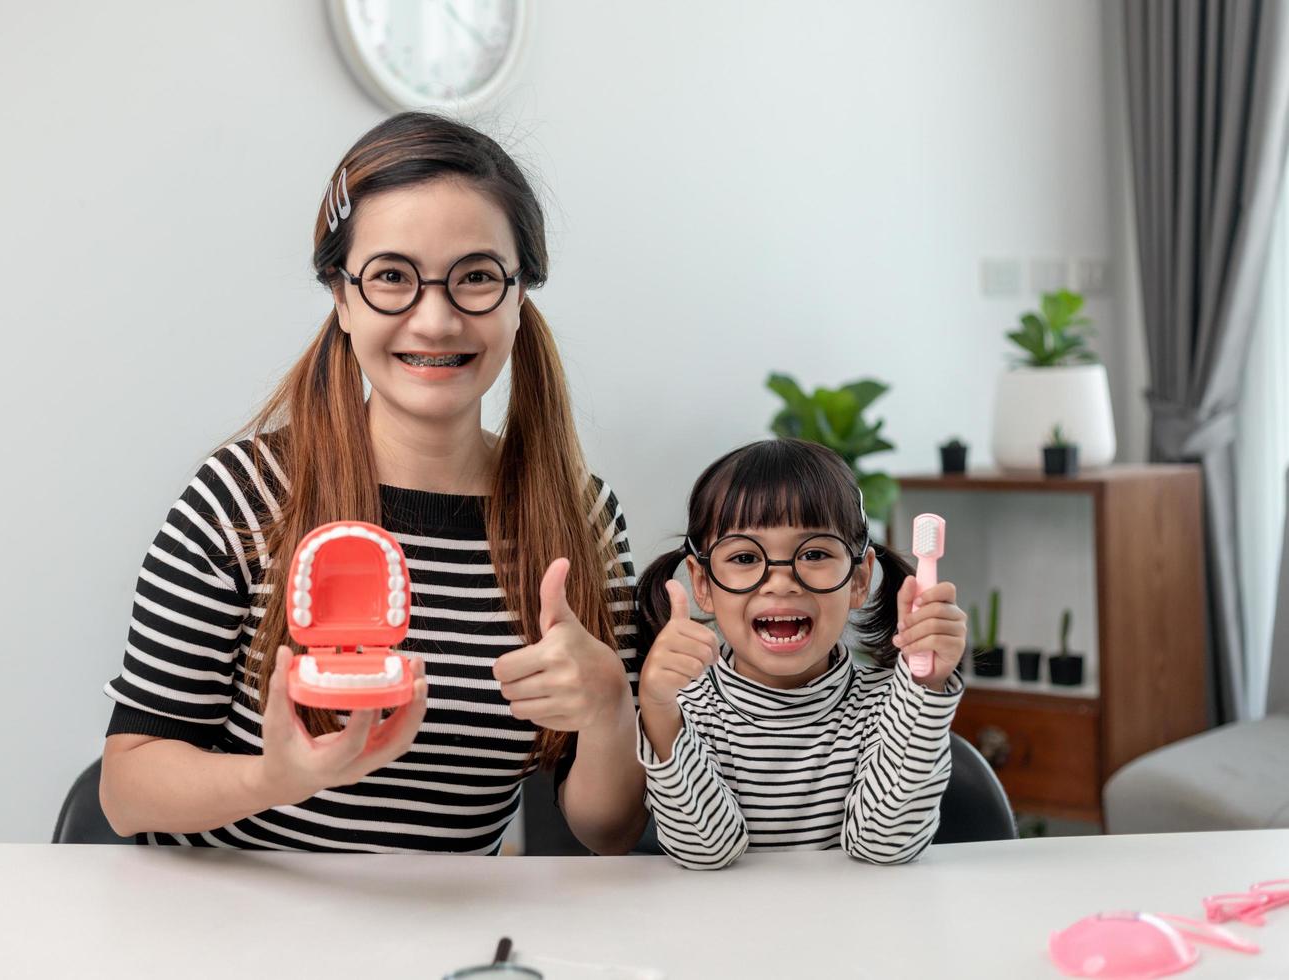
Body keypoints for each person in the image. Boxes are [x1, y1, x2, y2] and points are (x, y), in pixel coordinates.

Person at [99, 112, 646, 855]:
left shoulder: (582, 517)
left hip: (448, 947)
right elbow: (126, 789)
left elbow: (606, 832)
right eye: (392, 277)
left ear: (521, 296)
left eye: (477, 278)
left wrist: (611, 707)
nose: (436, 318)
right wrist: (278, 777)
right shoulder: (240, 498)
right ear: (342, 296)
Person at [634, 438, 967, 869]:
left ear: (859, 578)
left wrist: (925, 688)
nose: (781, 581)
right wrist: (659, 713)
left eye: (813, 553)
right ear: (702, 583)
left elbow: (884, 846)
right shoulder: (685, 706)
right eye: (743, 556)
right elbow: (707, 853)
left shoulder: (893, 704)